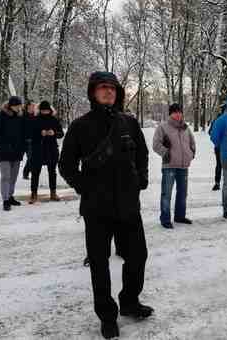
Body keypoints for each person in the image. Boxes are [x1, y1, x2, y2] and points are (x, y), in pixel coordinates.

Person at [59, 71, 152, 339]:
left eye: (112, 88)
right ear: (92, 92)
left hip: (128, 205)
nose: (108, 92)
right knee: (99, 264)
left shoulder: (129, 123)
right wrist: (83, 186)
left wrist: (141, 179)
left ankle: (130, 301)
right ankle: (107, 316)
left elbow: (143, 155)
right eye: (102, 88)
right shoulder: (80, 126)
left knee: (138, 256)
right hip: (96, 208)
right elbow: (65, 165)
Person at [152, 103, 195, 228]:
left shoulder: (186, 128)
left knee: (182, 193)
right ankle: (165, 219)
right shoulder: (163, 127)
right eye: (175, 112)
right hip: (169, 165)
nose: (178, 114)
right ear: (170, 114)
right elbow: (156, 144)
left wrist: (191, 154)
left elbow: (192, 142)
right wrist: (166, 153)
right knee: (166, 193)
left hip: (183, 165)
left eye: (179, 112)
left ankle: (180, 216)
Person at [0, 96, 26, 211]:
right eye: (16, 106)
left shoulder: (20, 117)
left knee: (13, 177)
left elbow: (23, 134)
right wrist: (3, 145)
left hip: (17, 151)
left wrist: (23, 146)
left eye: (19, 105)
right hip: (5, 152)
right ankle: (5, 199)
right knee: (6, 176)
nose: (18, 108)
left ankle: (10, 196)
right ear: (10, 105)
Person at [27, 101, 64, 203]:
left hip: (51, 149)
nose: (45, 112)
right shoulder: (35, 120)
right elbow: (30, 134)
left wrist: (54, 133)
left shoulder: (54, 120)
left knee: (52, 172)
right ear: (40, 110)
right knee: (35, 172)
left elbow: (61, 133)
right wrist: (40, 133)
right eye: (43, 110)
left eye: (47, 110)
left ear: (50, 110)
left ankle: (53, 192)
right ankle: (33, 194)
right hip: (38, 149)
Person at [209, 104, 226, 191]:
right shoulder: (219, 120)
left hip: (219, 146)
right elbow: (211, 133)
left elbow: (210, 133)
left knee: (219, 164)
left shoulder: (216, 120)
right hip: (222, 146)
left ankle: (217, 182)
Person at [22, 101, 37, 180]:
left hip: (34, 140)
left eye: (34, 106)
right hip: (25, 141)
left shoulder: (35, 116)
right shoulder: (23, 116)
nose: (33, 107)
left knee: (32, 157)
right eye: (32, 106)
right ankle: (27, 172)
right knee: (31, 157)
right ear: (28, 106)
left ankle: (26, 172)